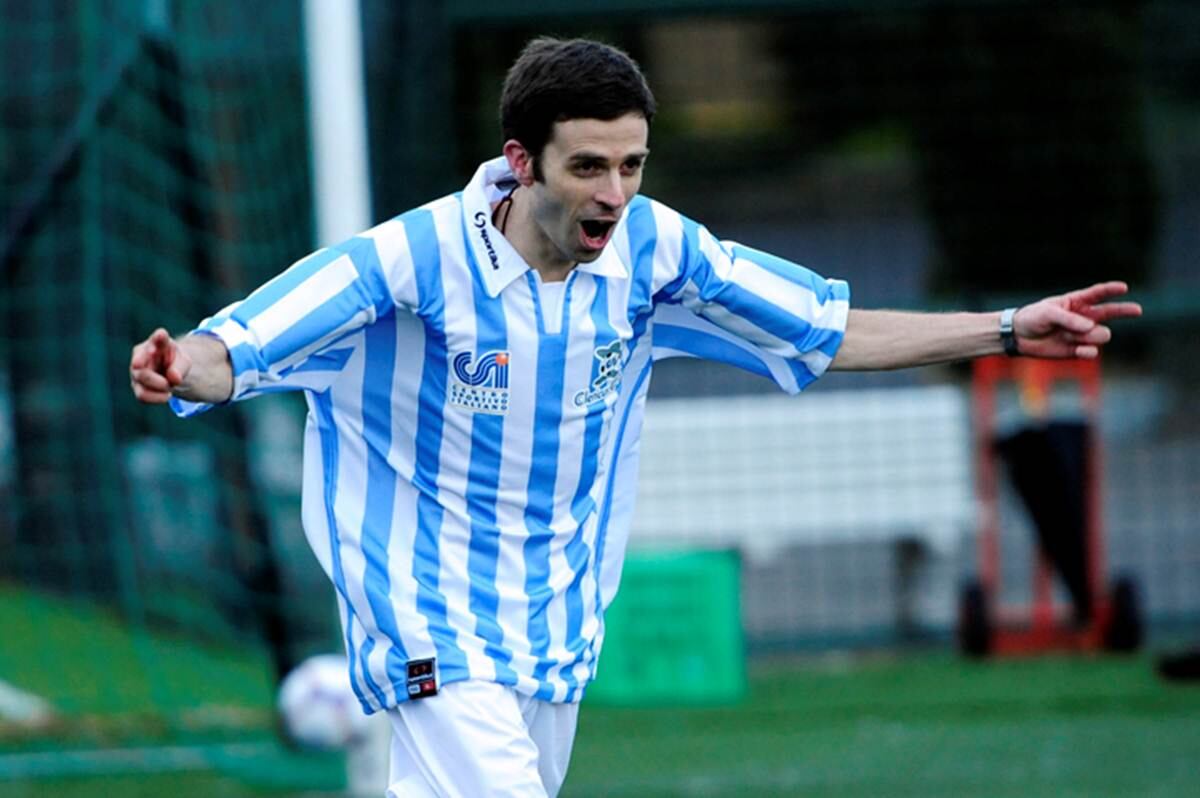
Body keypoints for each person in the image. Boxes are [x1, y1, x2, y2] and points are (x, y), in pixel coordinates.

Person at [129, 36, 1142, 798]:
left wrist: (1008, 330)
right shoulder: (405, 261)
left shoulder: (656, 253)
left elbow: (823, 330)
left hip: (558, 618)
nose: (614, 192)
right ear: (521, 162)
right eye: (588, 168)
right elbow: (246, 344)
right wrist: (185, 366)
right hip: (425, 611)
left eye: (632, 165)